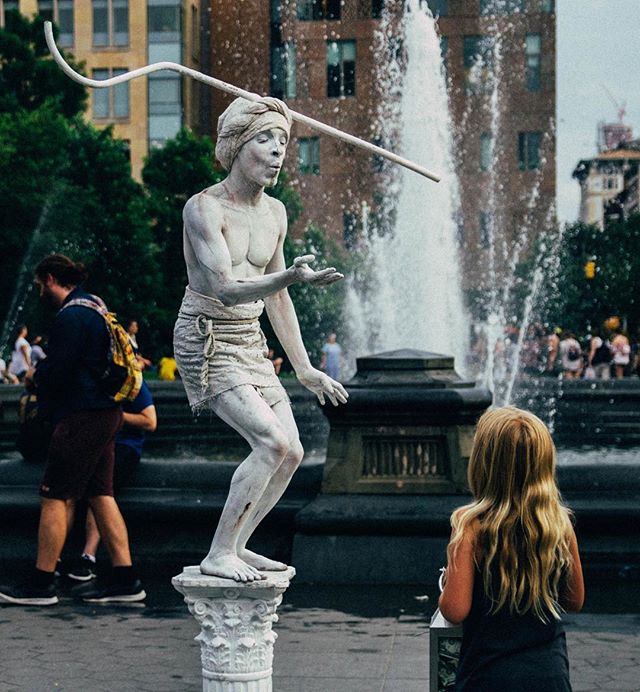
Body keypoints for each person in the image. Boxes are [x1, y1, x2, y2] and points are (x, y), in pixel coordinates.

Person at [173, 96, 348, 583]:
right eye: (264, 139)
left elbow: (277, 301)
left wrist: (306, 367)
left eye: (283, 141)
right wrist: (289, 277)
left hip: (248, 339)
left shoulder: (276, 213)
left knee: (292, 451)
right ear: (235, 146)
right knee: (269, 442)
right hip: (207, 335)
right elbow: (225, 289)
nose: (277, 151)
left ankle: (240, 543)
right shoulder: (204, 208)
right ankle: (219, 552)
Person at [0, 254, 144, 606]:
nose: (38, 291)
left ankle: (41, 582)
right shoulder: (96, 305)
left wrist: (36, 377)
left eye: (39, 285)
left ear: (50, 279)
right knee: (101, 495)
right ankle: (126, 580)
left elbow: (57, 372)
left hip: (81, 415)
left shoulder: (70, 316)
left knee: (54, 495)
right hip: (107, 412)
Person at [438, 406, 584, 691]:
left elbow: (454, 610)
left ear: (484, 464)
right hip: (549, 675)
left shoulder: (469, 525)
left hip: (488, 675)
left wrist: (448, 582)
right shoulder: (559, 523)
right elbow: (574, 600)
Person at [68, 380, 157, 581]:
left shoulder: (131, 381)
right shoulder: (91, 380)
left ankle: (88, 556)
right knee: (66, 494)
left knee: (98, 493)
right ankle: (53, 558)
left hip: (123, 446)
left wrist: (115, 416)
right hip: (92, 444)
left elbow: (150, 421)